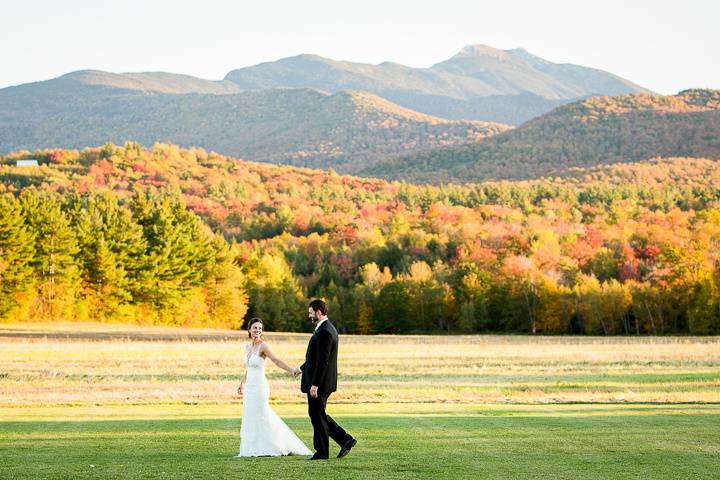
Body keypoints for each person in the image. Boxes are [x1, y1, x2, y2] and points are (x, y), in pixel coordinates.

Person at [236, 317, 311, 457]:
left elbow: (276, 360)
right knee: (250, 416)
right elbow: (249, 368)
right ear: (249, 330)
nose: (257, 330)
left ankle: (276, 445)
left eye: (259, 328)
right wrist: (242, 383)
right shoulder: (248, 347)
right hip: (250, 387)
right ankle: (253, 447)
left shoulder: (263, 346)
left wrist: (291, 370)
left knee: (263, 414)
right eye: (255, 328)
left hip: (260, 387)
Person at [295, 299, 357, 460]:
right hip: (320, 381)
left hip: (320, 383)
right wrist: (300, 369)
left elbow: (323, 361)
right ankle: (344, 440)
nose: (309, 316)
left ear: (318, 312)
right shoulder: (324, 329)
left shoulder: (325, 331)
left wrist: (315, 384)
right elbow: (315, 357)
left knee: (317, 415)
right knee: (318, 415)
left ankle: (324, 451)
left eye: (310, 313)